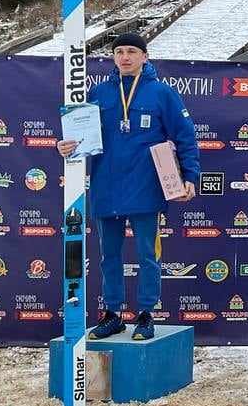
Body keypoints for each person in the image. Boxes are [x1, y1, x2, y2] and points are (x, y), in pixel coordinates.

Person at [55, 32, 200, 341]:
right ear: (113, 57)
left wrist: (190, 176)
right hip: (107, 187)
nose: (125, 57)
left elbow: (186, 136)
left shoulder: (162, 93)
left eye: (132, 51)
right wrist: (66, 145)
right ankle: (113, 314)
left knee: (148, 255)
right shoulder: (99, 93)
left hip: (146, 187)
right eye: (119, 51)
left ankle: (146, 314)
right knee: (109, 256)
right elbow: (81, 137)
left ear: (144, 57)